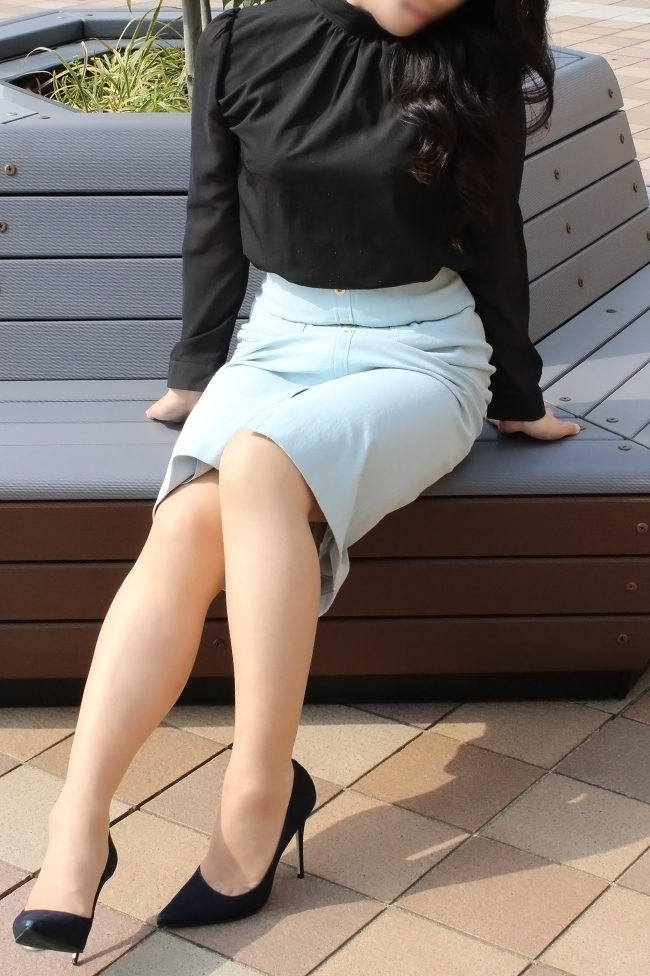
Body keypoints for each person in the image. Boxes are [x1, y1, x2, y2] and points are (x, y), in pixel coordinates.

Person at [14, 0, 580, 962]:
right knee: (187, 523)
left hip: (421, 354)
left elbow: (496, 235)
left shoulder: (475, 56)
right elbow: (213, 210)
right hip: (279, 342)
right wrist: (196, 371)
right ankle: (79, 820)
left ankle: (258, 791)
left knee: (257, 462)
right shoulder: (245, 42)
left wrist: (518, 396)